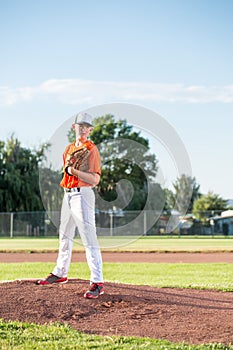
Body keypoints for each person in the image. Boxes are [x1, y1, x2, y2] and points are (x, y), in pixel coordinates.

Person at [37, 112, 104, 299]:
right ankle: (60, 273)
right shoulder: (68, 149)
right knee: (64, 236)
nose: (82, 129)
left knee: (88, 238)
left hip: (82, 195)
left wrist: (73, 170)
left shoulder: (91, 149)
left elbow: (95, 179)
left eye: (86, 126)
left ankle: (97, 281)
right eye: (79, 125)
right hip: (67, 195)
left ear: (90, 130)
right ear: (74, 127)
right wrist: (71, 171)